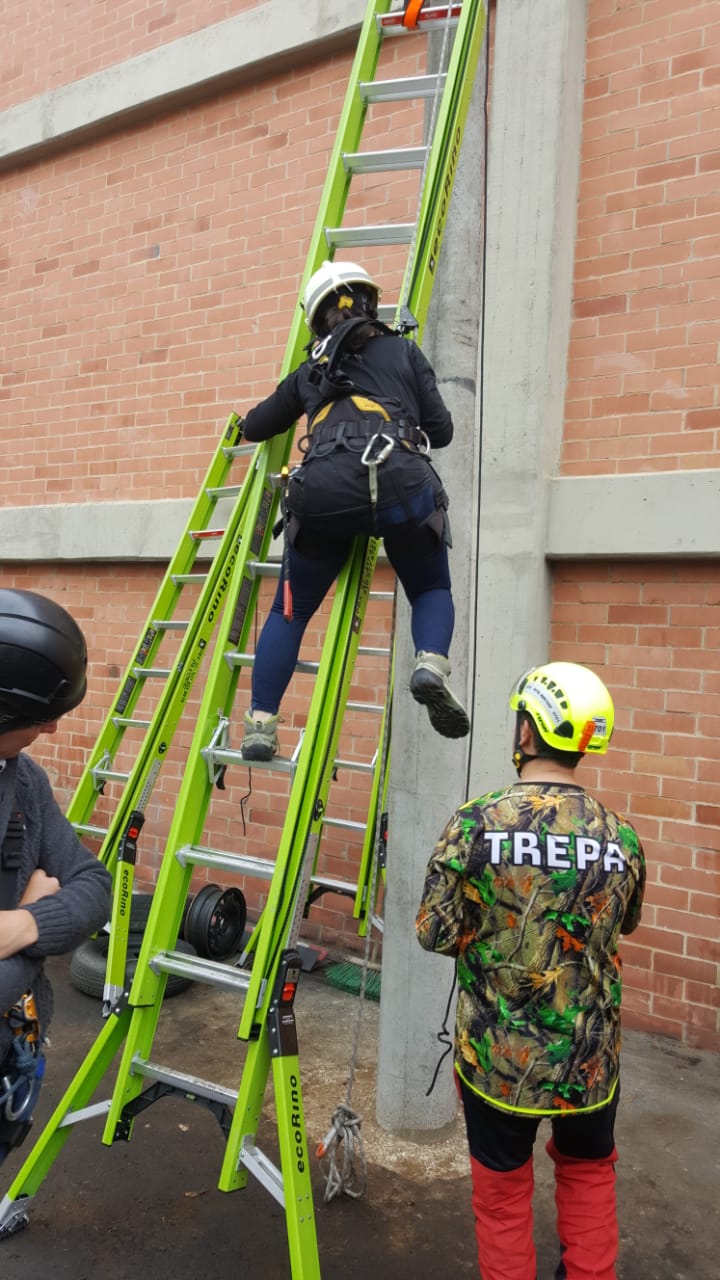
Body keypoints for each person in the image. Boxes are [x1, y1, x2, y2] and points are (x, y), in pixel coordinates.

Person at [415, 661, 646, 1280]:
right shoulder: (621, 835)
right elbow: (623, 925)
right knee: (590, 1174)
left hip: (499, 1061)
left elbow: (434, 933)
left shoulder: (475, 823)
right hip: (591, 1063)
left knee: (503, 1193)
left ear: (527, 731)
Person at [239, 259, 469, 761]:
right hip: (399, 481)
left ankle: (261, 723)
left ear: (316, 318)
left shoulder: (309, 370)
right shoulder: (402, 352)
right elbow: (443, 432)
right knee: (430, 585)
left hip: (324, 492)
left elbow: (258, 425)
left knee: (289, 611)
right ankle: (430, 661)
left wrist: (238, 428)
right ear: (369, 302)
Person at [0, 588, 112, 1165]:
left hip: (14, 1051)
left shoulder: (25, 784)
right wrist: (35, 947)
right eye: (42, 720)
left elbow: (94, 886)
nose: (51, 733)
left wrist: (20, 923)